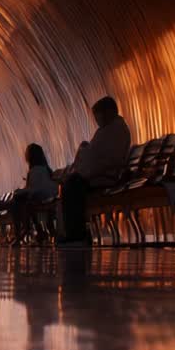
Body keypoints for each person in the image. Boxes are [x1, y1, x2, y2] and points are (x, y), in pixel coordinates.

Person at [57, 96, 132, 245]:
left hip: (105, 175)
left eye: (97, 115)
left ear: (108, 112)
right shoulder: (107, 130)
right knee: (70, 185)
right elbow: (96, 152)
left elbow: (105, 156)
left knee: (72, 186)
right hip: (99, 174)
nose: (96, 120)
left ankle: (77, 235)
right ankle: (75, 233)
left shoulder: (116, 129)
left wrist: (85, 153)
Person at [9, 143, 58, 244]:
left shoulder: (33, 170)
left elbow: (32, 189)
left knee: (16, 203)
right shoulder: (47, 169)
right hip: (49, 196)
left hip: (40, 197)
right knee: (26, 204)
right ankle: (36, 230)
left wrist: (19, 191)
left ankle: (20, 233)